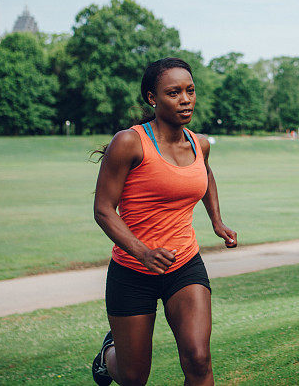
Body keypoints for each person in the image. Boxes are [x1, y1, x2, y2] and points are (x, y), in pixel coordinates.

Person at [91, 57, 237, 386]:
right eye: (173, 93)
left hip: (184, 264)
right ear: (152, 98)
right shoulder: (129, 142)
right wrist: (141, 251)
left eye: (190, 91)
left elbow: (206, 176)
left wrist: (217, 220)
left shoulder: (199, 144)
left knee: (199, 360)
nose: (185, 99)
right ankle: (107, 355)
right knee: (133, 376)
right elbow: (103, 209)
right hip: (132, 272)